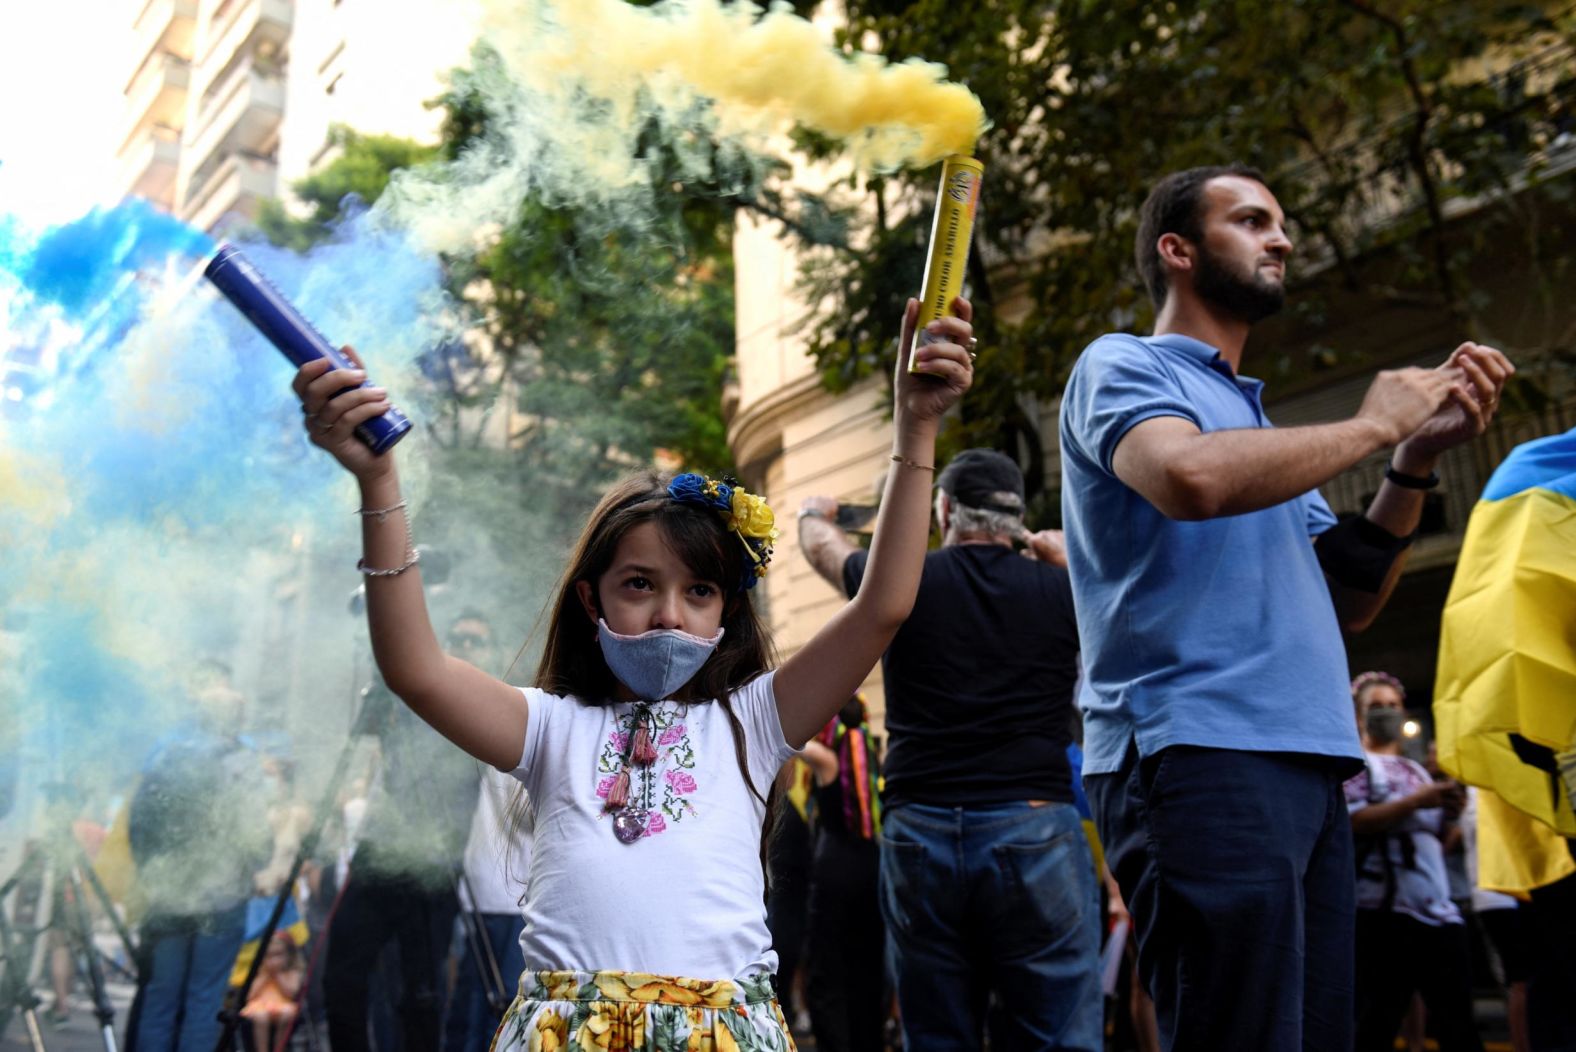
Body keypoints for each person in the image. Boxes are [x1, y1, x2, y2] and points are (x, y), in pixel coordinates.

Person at [286, 294, 972, 1049]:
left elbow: (883, 605)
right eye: (640, 584)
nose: (671, 615)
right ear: (593, 597)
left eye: (700, 591)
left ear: (725, 614)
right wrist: (378, 482)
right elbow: (415, 669)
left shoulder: (754, 722)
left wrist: (916, 428)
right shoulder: (549, 727)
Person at [1058, 164, 1514, 1051]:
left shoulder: (1256, 429)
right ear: (1178, 250)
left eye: (1282, 224)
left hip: (1306, 764)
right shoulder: (1120, 364)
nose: (1283, 239)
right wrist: (1374, 422)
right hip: (1198, 752)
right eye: (1252, 220)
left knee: (1312, 1035)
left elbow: (1351, 591)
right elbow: (1186, 477)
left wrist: (1412, 462)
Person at [799, 447, 1100, 1050]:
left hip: (920, 833)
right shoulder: (1067, 589)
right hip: (1035, 825)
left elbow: (822, 546)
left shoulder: (901, 584)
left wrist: (815, 509)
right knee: (1055, 1034)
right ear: (1015, 519)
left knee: (936, 1035)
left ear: (942, 512)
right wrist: (1073, 567)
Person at [322, 612, 491, 1052]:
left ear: (491, 653)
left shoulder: (490, 709)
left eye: (475, 642)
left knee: (422, 991)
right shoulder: (416, 693)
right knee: (341, 973)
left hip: (436, 864)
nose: (464, 647)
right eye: (457, 638)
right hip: (381, 853)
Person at [128, 662, 273, 1052]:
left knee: (160, 998)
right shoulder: (242, 762)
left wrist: (150, 875)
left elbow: (139, 821)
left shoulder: (168, 756)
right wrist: (259, 862)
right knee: (203, 999)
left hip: (167, 896)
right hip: (221, 896)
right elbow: (255, 836)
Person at [1345, 671, 1483, 1051]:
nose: (1387, 713)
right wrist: (1415, 803)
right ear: (1359, 716)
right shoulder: (1355, 766)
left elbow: (1438, 842)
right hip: (1384, 912)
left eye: (1393, 705)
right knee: (1377, 1021)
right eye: (1377, 707)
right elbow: (1352, 822)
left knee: (1459, 1024)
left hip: (1437, 910)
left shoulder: (1418, 770)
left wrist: (1453, 810)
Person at [800, 696, 885, 1052]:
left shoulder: (826, 759)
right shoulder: (871, 758)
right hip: (871, 866)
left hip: (834, 868)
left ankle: (836, 1044)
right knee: (868, 966)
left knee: (827, 968)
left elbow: (787, 739)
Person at [444, 765, 531, 1052]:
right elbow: (530, 816)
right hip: (512, 893)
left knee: (473, 1003)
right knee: (503, 1008)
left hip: (485, 886)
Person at [240, 930, 304, 1052]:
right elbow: (248, 996)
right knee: (261, 1016)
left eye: (278, 955)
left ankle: (279, 1047)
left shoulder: (292, 971)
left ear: (288, 955)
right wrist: (265, 977)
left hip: (283, 1004)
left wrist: (278, 976)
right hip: (260, 1005)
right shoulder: (258, 972)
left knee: (288, 1013)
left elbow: (292, 993)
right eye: (268, 956)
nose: (273, 961)